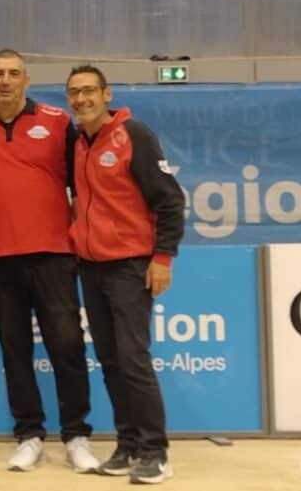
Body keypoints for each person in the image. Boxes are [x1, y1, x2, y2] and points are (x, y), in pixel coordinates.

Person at [0, 49, 99, 473]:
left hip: (54, 255)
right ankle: (29, 434)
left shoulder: (58, 122)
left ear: (27, 80)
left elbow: (82, 178)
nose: (5, 80)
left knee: (67, 346)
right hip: (0, 257)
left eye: (13, 74)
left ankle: (76, 436)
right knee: (15, 350)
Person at [65, 64, 184, 485]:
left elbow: (170, 201)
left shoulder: (134, 135)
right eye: (74, 93)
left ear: (106, 94)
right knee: (112, 361)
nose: (81, 99)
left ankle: (156, 452)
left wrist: (162, 259)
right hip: (92, 268)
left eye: (89, 91)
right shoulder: (78, 142)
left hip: (132, 267)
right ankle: (128, 444)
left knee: (133, 360)